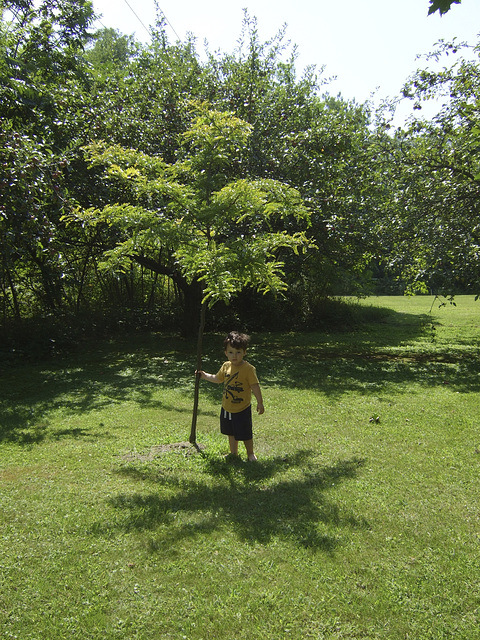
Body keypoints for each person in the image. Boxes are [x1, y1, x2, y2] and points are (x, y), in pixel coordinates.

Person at [196, 331, 264, 461]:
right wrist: (204, 376)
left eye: (238, 352)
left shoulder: (248, 369)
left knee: (245, 433)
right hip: (227, 407)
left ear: (244, 352)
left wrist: (260, 402)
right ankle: (234, 453)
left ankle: (250, 453)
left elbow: (255, 386)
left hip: (242, 408)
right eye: (231, 352)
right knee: (231, 432)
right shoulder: (226, 366)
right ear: (226, 353)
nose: (234, 356)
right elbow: (217, 378)